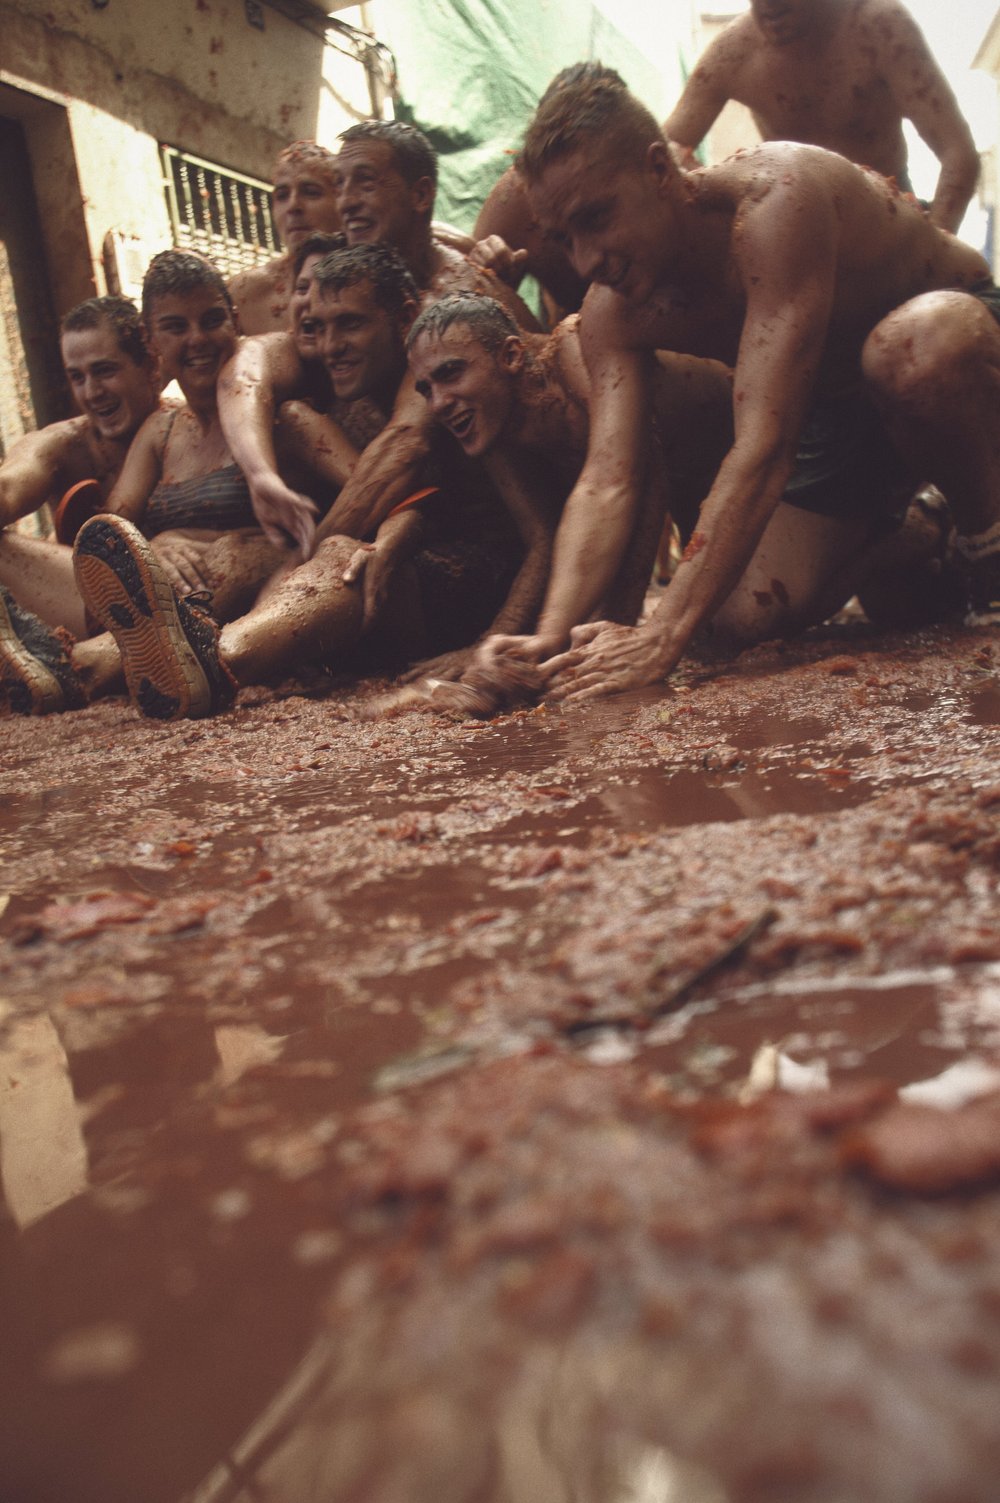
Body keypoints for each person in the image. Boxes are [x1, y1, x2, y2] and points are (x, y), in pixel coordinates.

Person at [473, 65, 1000, 705]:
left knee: (909, 353)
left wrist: (661, 634)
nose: (586, 259)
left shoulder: (776, 200)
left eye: (597, 218)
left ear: (659, 172)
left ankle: (986, 546)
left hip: (958, 345)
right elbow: (608, 477)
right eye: (564, 238)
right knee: (741, 615)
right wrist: (550, 633)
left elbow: (764, 447)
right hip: (838, 411)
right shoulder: (612, 308)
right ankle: (921, 527)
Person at [1, 245, 519, 720]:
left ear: (235, 322)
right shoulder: (160, 432)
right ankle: (66, 665)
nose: (197, 339)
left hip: (266, 588)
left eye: (210, 321)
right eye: (176, 327)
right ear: (155, 343)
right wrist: (153, 547)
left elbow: (394, 488)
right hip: (172, 604)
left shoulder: (286, 417)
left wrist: (367, 540)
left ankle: (95, 668)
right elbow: (109, 542)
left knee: (242, 555)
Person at [400, 291, 732, 710]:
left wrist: (617, 627)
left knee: (737, 627)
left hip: (730, 454)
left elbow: (642, 479)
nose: (439, 403)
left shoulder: (576, 348)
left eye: (451, 373)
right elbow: (542, 538)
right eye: (426, 389)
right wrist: (490, 647)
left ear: (512, 356)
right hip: (677, 481)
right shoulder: (489, 420)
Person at [665, 0, 979, 234]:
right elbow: (664, 155)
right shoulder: (732, 52)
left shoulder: (878, 26)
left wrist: (935, 244)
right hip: (791, 228)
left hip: (891, 220)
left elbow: (959, 155)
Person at [0, 296, 162, 632]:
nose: (91, 392)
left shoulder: (186, 427)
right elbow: (10, 486)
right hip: (92, 612)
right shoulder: (64, 445)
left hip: (188, 600)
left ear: (149, 364)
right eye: (77, 377)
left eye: (104, 371)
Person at [229, 142, 343, 336]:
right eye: (282, 195)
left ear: (340, 201)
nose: (293, 206)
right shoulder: (243, 293)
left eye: (310, 192)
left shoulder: (368, 286)